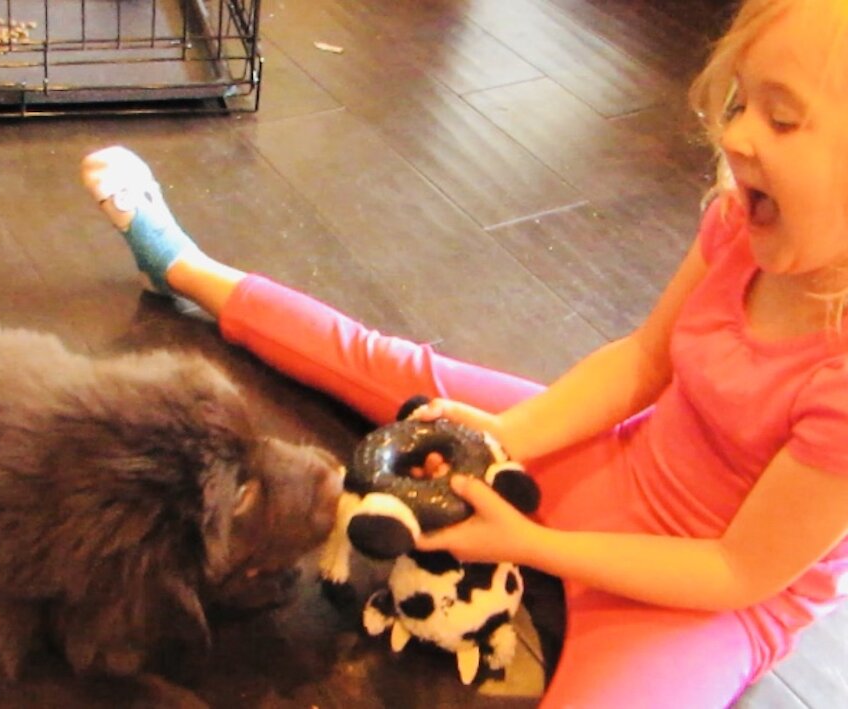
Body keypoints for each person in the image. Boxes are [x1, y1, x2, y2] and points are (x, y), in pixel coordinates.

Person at [78, 0, 848, 705]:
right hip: (624, 460)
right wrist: (509, 437)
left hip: (703, 597)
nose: (738, 134)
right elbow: (645, 360)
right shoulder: (739, 223)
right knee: (400, 371)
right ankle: (181, 263)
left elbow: (737, 570)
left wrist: (537, 545)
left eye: (782, 121)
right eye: (743, 102)